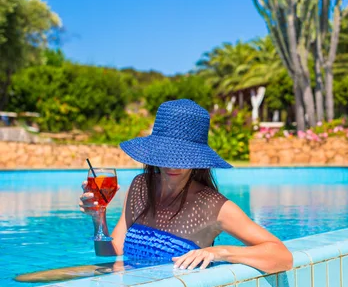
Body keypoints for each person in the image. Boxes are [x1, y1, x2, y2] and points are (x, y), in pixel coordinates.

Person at [79, 99, 292, 273]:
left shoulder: (212, 206)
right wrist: (99, 217)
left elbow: (282, 257)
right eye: (167, 154)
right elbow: (111, 253)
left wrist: (221, 252)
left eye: (182, 156)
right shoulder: (140, 187)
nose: (173, 164)